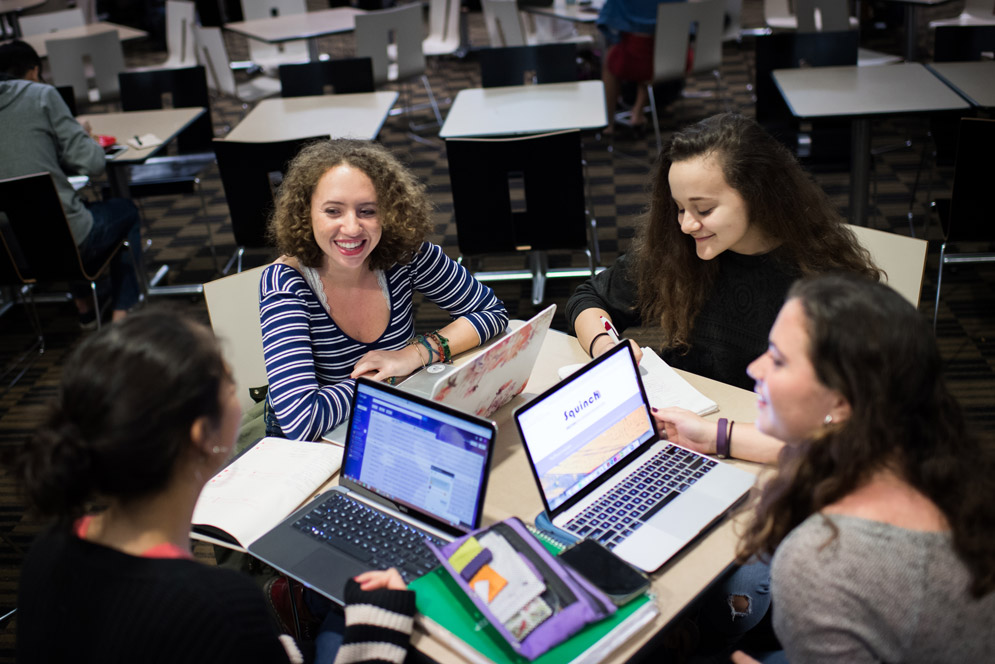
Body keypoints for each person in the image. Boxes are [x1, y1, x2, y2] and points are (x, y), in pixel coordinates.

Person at [8, 311, 418, 663]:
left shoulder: (50, 550)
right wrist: (377, 628)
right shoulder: (218, 607)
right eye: (228, 383)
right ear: (203, 435)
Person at [666, 275, 995, 662]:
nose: (756, 368)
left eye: (779, 358)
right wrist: (714, 435)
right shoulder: (941, 467)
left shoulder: (820, 561)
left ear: (840, 404)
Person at [566, 113, 879, 391]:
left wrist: (722, 435)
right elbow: (589, 297)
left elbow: (845, 404)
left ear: (756, 195)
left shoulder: (820, 278)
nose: (687, 225)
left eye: (703, 209)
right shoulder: (680, 250)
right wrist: (604, 345)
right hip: (685, 412)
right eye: (679, 209)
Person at [260, 139, 508, 441]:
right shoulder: (284, 283)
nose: (351, 228)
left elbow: (491, 312)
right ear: (306, 212)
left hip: (386, 416)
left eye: (367, 211)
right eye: (333, 211)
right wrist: (389, 377)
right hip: (319, 444)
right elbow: (302, 421)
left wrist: (414, 354)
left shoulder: (404, 255)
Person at [0, 40, 142, 326]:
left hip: (7, 250)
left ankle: (85, 307)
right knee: (124, 210)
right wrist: (80, 133)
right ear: (33, 71)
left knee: (61, 210)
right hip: (63, 239)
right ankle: (122, 316)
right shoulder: (40, 95)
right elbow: (92, 164)